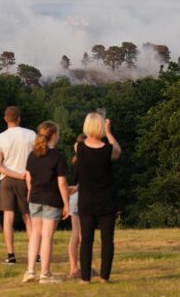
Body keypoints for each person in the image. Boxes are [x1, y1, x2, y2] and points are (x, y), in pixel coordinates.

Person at [76, 112, 121, 283]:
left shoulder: (78, 148)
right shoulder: (108, 150)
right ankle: (104, 276)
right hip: (107, 199)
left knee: (86, 240)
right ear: (101, 127)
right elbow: (118, 151)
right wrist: (108, 132)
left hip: (87, 199)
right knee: (107, 240)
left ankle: (85, 278)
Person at [22, 121, 70, 284]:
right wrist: (67, 204)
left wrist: (29, 194)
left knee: (36, 234)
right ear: (54, 136)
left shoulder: (32, 155)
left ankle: (29, 271)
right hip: (52, 200)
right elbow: (62, 184)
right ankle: (45, 274)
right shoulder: (58, 156)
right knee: (47, 237)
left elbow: (28, 178)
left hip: (34, 198)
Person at [0, 106, 36, 264]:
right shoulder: (31, 134)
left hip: (7, 180)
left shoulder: (0, 138)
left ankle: (10, 255)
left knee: (8, 217)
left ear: (5, 119)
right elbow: (38, 157)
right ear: (19, 118)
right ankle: (35, 254)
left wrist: (14, 173)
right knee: (28, 217)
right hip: (27, 178)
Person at [68, 134, 86, 279]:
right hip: (83, 197)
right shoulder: (87, 161)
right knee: (83, 235)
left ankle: (74, 267)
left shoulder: (77, 162)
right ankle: (81, 268)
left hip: (73, 198)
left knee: (76, 234)